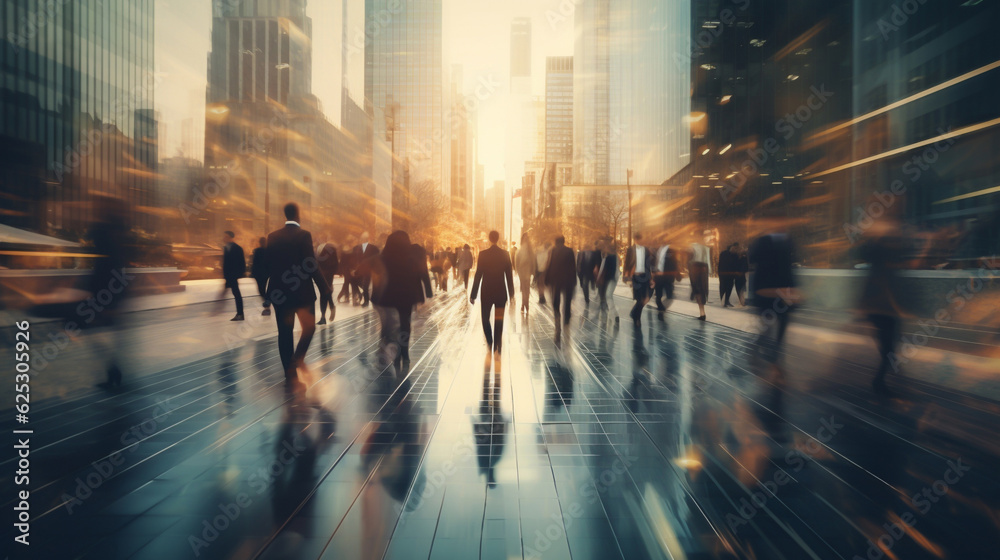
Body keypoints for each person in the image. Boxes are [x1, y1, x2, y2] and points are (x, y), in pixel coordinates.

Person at [265, 203, 332, 390]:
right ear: (298, 215)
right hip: (302, 293)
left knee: (284, 333)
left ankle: (290, 371)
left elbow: (267, 266)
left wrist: (266, 293)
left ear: (284, 214)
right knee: (309, 328)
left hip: (280, 293)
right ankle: (297, 359)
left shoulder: (273, 237)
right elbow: (310, 264)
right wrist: (324, 287)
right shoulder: (304, 235)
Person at [372, 231, 431, 367]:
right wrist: (425, 292)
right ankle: (404, 351)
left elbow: (378, 276)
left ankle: (390, 349)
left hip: (388, 296)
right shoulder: (411, 257)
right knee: (405, 323)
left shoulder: (384, 257)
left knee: (389, 324)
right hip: (407, 295)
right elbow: (421, 273)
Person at [858, 222, 904, 395]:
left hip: (885, 307)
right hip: (881, 307)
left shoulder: (882, 261)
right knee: (888, 347)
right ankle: (879, 381)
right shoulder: (877, 255)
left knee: (890, 345)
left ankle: (881, 378)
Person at [749, 229, 797, 375]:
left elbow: (790, 268)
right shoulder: (762, 242)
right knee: (768, 327)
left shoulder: (788, 241)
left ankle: (774, 358)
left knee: (782, 324)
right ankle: (762, 351)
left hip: (783, 291)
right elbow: (755, 263)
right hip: (768, 292)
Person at [470, 231, 515, 355]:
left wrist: (473, 294)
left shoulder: (483, 255)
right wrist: (511, 294)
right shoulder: (505, 254)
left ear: (489, 239)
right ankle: (498, 342)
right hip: (501, 292)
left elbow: (478, 275)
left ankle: (490, 341)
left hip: (487, 292)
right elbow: (509, 276)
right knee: (499, 318)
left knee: (485, 318)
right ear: (498, 238)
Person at [545, 236, 577, 345]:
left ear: (555, 242)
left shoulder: (552, 251)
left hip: (556, 280)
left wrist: (546, 279)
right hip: (567, 280)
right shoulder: (569, 251)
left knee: (556, 301)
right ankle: (566, 322)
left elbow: (549, 265)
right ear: (564, 241)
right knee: (567, 302)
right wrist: (574, 281)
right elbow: (573, 267)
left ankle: (557, 321)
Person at [625, 233, 653, 327]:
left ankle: (634, 313)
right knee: (639, 298)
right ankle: (637, 319)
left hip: (645, 276)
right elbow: (627, 263)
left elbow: (648, 264)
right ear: (636, 239)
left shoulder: (646, 249)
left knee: (645, 298)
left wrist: (650, 277)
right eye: (640, 239)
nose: (641, 241)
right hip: (635, 277)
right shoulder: (630, 250)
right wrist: (627, 277)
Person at [221, 230, 246, 321]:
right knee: (235, 294)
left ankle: (240, 314)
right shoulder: (226, 248)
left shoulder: (237, 248)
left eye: (226, 237)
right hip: (229, 276)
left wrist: (238, 274)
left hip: (233, 275)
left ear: (231, 238)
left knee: (236, 294)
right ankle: (239, 314)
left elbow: (241, 263)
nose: (224, 238)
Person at [595, 238, 620, 325]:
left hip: (609, 279)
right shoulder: (604, 255)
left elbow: (612, 270)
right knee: (605, 296)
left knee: (607, 296)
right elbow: (602, 267)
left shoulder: (612, 256)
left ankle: (613, 315)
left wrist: (602, 278)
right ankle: (609, 314)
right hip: (605, 279)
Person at [653, 240, 679, 317]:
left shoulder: (671, 250)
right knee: (658, 295)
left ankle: (662, 308)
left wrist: (676, 274)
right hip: (658, 275)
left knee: (670, 296)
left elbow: (674, 263)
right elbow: (654, 261)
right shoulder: (657, 249)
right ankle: (661, 308)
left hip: (667, 276)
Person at [353, 231, 379, 307]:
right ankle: (366, 299)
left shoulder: (373, 248)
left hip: (371, 270)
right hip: (363, 270)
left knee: (369, 286)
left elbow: (377, 258)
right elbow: (356, 259)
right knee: (364, 285)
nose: (362, 239)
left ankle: (368, 300)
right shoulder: (357, 248)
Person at [316, 240, 339, 325]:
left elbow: (335, 261)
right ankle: (331, 306)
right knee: (324, 293)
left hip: (328, 274)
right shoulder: (317, 247)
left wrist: (334, 271)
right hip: (320, 273)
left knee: (325, 292)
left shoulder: (331, 248)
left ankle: (323, 317)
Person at [689, 240, 712, 320]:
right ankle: (702, 313)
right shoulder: (705, 247)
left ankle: (702, 313)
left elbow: (689, 257)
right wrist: (710, 270)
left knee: (697, 290)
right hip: (704, 268)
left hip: (694, 267)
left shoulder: (691, 245)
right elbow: (708, 259)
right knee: (702, 289)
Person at [515, 234, 535, 314]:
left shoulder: (521, 250)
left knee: (524, 289)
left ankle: (524, 304)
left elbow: (517, 261)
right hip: (525, 272)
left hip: (524, 272)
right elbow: (533, 261)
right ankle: (525, 304)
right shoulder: (529, 250)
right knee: (526, 289)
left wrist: (518, 270)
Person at [251, 237, 271, 316]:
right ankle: (267, 303)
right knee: (263, 289)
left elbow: (255, 263)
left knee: (261, 290)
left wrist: (253, 273)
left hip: (259, 274)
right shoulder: (269, 251)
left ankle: (267, 305)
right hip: (266, 273)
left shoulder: (258, 251)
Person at [718, 243, 741, 308]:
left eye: (736, 248)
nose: (735, 249)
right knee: (723, 287)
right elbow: (721, 264)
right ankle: (723, 301)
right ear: (731, 247)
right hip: (723, 273)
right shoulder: (724, 253)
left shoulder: (735, 255)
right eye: (734, 248)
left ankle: (727, 300)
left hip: (730, 274)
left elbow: (736, 265)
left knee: (729, 287)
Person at [338, 237, 358, 305]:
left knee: (346, 283)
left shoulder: (344, 251)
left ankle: (346, 297)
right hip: (351, 269)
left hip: (346, 269)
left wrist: (340, 271)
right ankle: (354, 298)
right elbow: (356, 261)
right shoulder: (354, 251)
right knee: (353, 283)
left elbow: (341, 262)